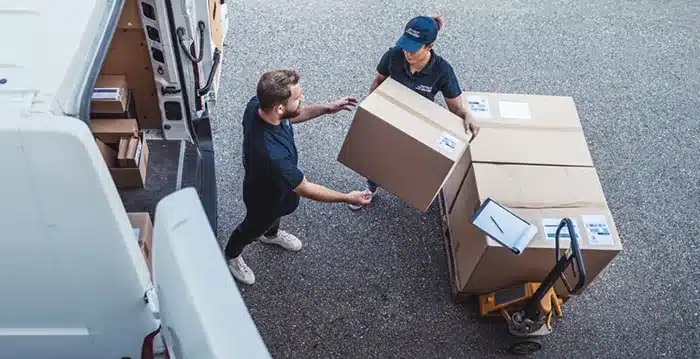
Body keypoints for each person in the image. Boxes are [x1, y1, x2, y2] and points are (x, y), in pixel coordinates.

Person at [225, 68, 372, 285]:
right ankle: (232, 255)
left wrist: (327, 108)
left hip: (280, 189)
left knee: (277, 215)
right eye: (297, 98)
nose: (302, 100)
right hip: (264, 198)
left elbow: (292, 116)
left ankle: (271, 235)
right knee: (252, 227)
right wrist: (348, 197)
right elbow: (305, 188)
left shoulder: (258, 106)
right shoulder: (272, 156)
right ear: (279, 107)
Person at [349, 15, 481, 210]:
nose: (407, 53)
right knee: (378, 156)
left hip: (419, 122)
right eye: (405, 45)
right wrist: (371, 110)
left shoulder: (443, 71)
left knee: (409, 159)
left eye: (414, 48)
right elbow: (378, 81)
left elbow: (455, 107)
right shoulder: (393, 55)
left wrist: (466, 115)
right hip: (390, 115)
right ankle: (371, 186)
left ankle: (409, 189)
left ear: (429, 46)